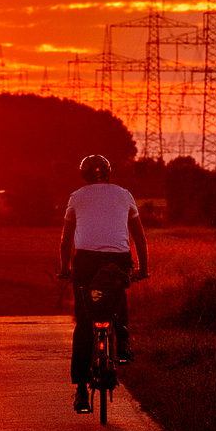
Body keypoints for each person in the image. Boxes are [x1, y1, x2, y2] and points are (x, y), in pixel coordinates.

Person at [59, 154, 148, 413]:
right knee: (117, 295)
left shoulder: (76, 197)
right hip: (117, 259)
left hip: (86, 262)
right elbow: (139, 238)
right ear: (109, 173)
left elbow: (66, 241)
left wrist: (66, 270)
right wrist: (144, 269)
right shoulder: (124, 194)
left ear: (83, 176)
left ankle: (82, 392)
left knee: (85, 323)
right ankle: (122, 343)